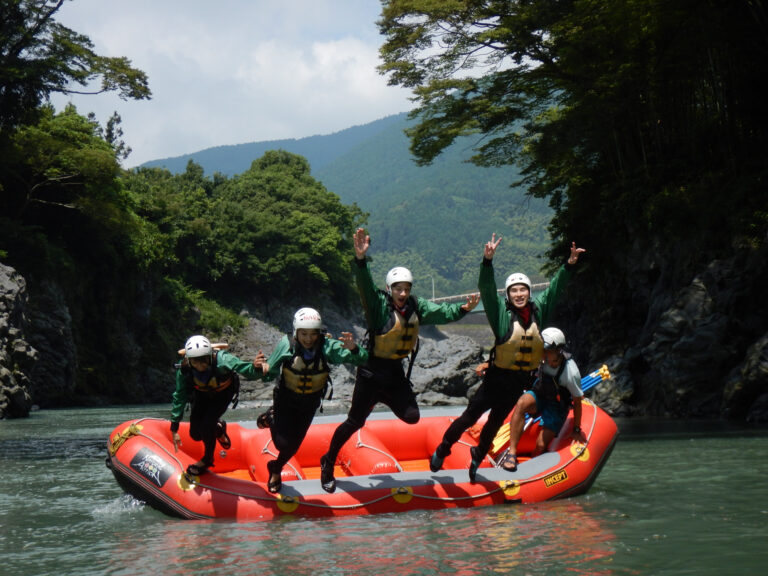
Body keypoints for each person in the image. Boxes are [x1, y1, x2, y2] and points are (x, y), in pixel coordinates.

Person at [319, 227, 480, 493]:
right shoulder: (378, 307)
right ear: (389, 289)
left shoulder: (417, 307)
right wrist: (360, 260)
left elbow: (442, 312)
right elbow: (364, 285)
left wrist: (462, 310)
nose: (403, 293)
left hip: (395, 373)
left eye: (406, 288)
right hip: (371, 371)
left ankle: (380, 400)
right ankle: (328, 461)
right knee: (354, 422)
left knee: (412, 417)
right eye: (398, 289)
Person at [429, 233, 585, 482]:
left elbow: (555, 289)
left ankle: (477, 456)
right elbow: (488, 290)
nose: (519, 294)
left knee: (493, 424)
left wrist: (569, 265)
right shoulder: (501, 315)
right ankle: (443, 447)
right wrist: (487, 262)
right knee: (469, 417)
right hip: (495, 380)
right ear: (509, 295)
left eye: (523, 289)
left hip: (517, 384)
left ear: (529, 293)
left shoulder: (538, 311)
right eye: (514, 290)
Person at [253, 307, 369, 493]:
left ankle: (275, 467)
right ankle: (271, 418)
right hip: (286, 398)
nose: (308, 338)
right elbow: (270, 372)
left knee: (294, 446)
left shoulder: (327, 346)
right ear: (296, 332)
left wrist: (354, 349)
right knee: (282, 444)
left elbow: (361, 359)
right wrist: (261, 368)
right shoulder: (286, 345)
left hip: (310, 402)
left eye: (313, 334)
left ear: (319, 333)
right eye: (303, 333)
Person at [170, 335, 265, 476]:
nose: (201, 365)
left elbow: (243, 368)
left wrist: (255, 367)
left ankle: (207, 459)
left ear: (210, 356)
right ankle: (218, 429)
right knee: (195, 434)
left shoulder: (222, 360)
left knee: (207, 425)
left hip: (223, 393)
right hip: (201, 394)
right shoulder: (184, 369)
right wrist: (174, 426)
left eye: (204, 360)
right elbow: (180, 395)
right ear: (189, 361)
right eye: (196, 362)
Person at [500, 327, 585, 472]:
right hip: (540, 394)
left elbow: (577, 401)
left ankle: (532, 470)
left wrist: (576, 429)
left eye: (547, 351)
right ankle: (512, 454)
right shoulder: (541, 358)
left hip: (556, 406)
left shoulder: (570, 372)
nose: (543, 354)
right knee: (521, 403)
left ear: (558, 350)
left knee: (540, 445)